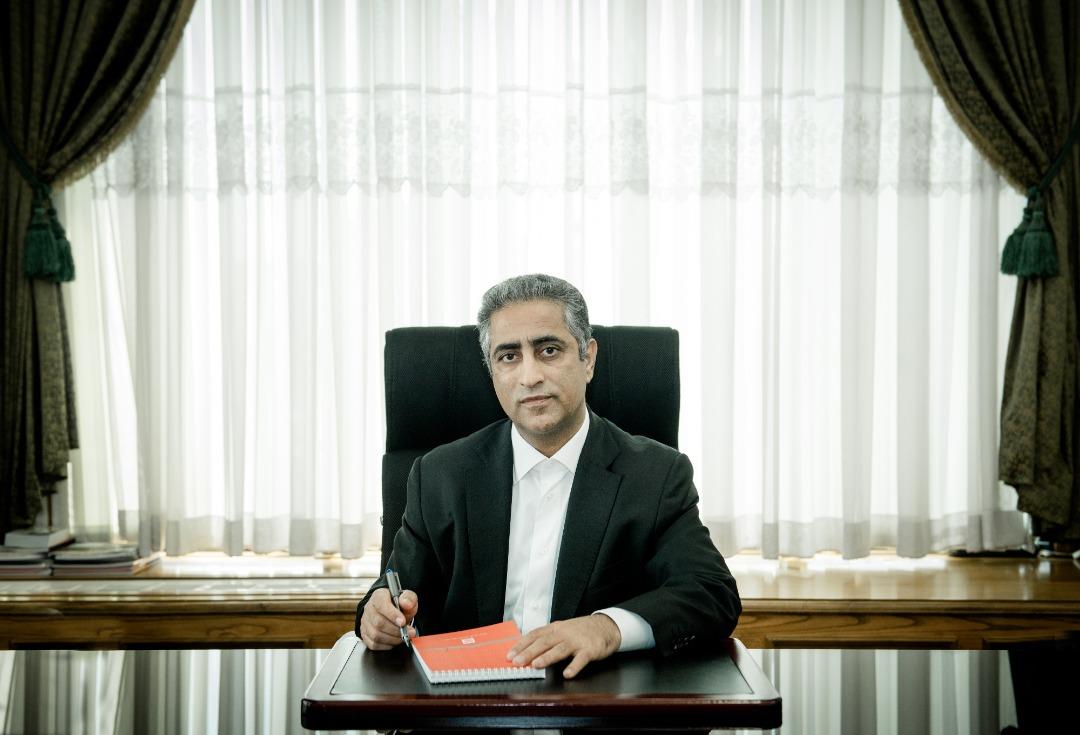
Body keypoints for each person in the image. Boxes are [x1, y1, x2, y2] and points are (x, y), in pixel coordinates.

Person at [356, 274, 740, 679]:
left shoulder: (655, 475)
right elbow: (394, 592)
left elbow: (711, 593)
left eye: (549, 350)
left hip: (597, 700)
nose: (529, 376)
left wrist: (607, 627)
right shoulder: (439, 475)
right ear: (491, 371)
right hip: (467, 701)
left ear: (588, 359)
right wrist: (378, 616)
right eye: (509, 356)